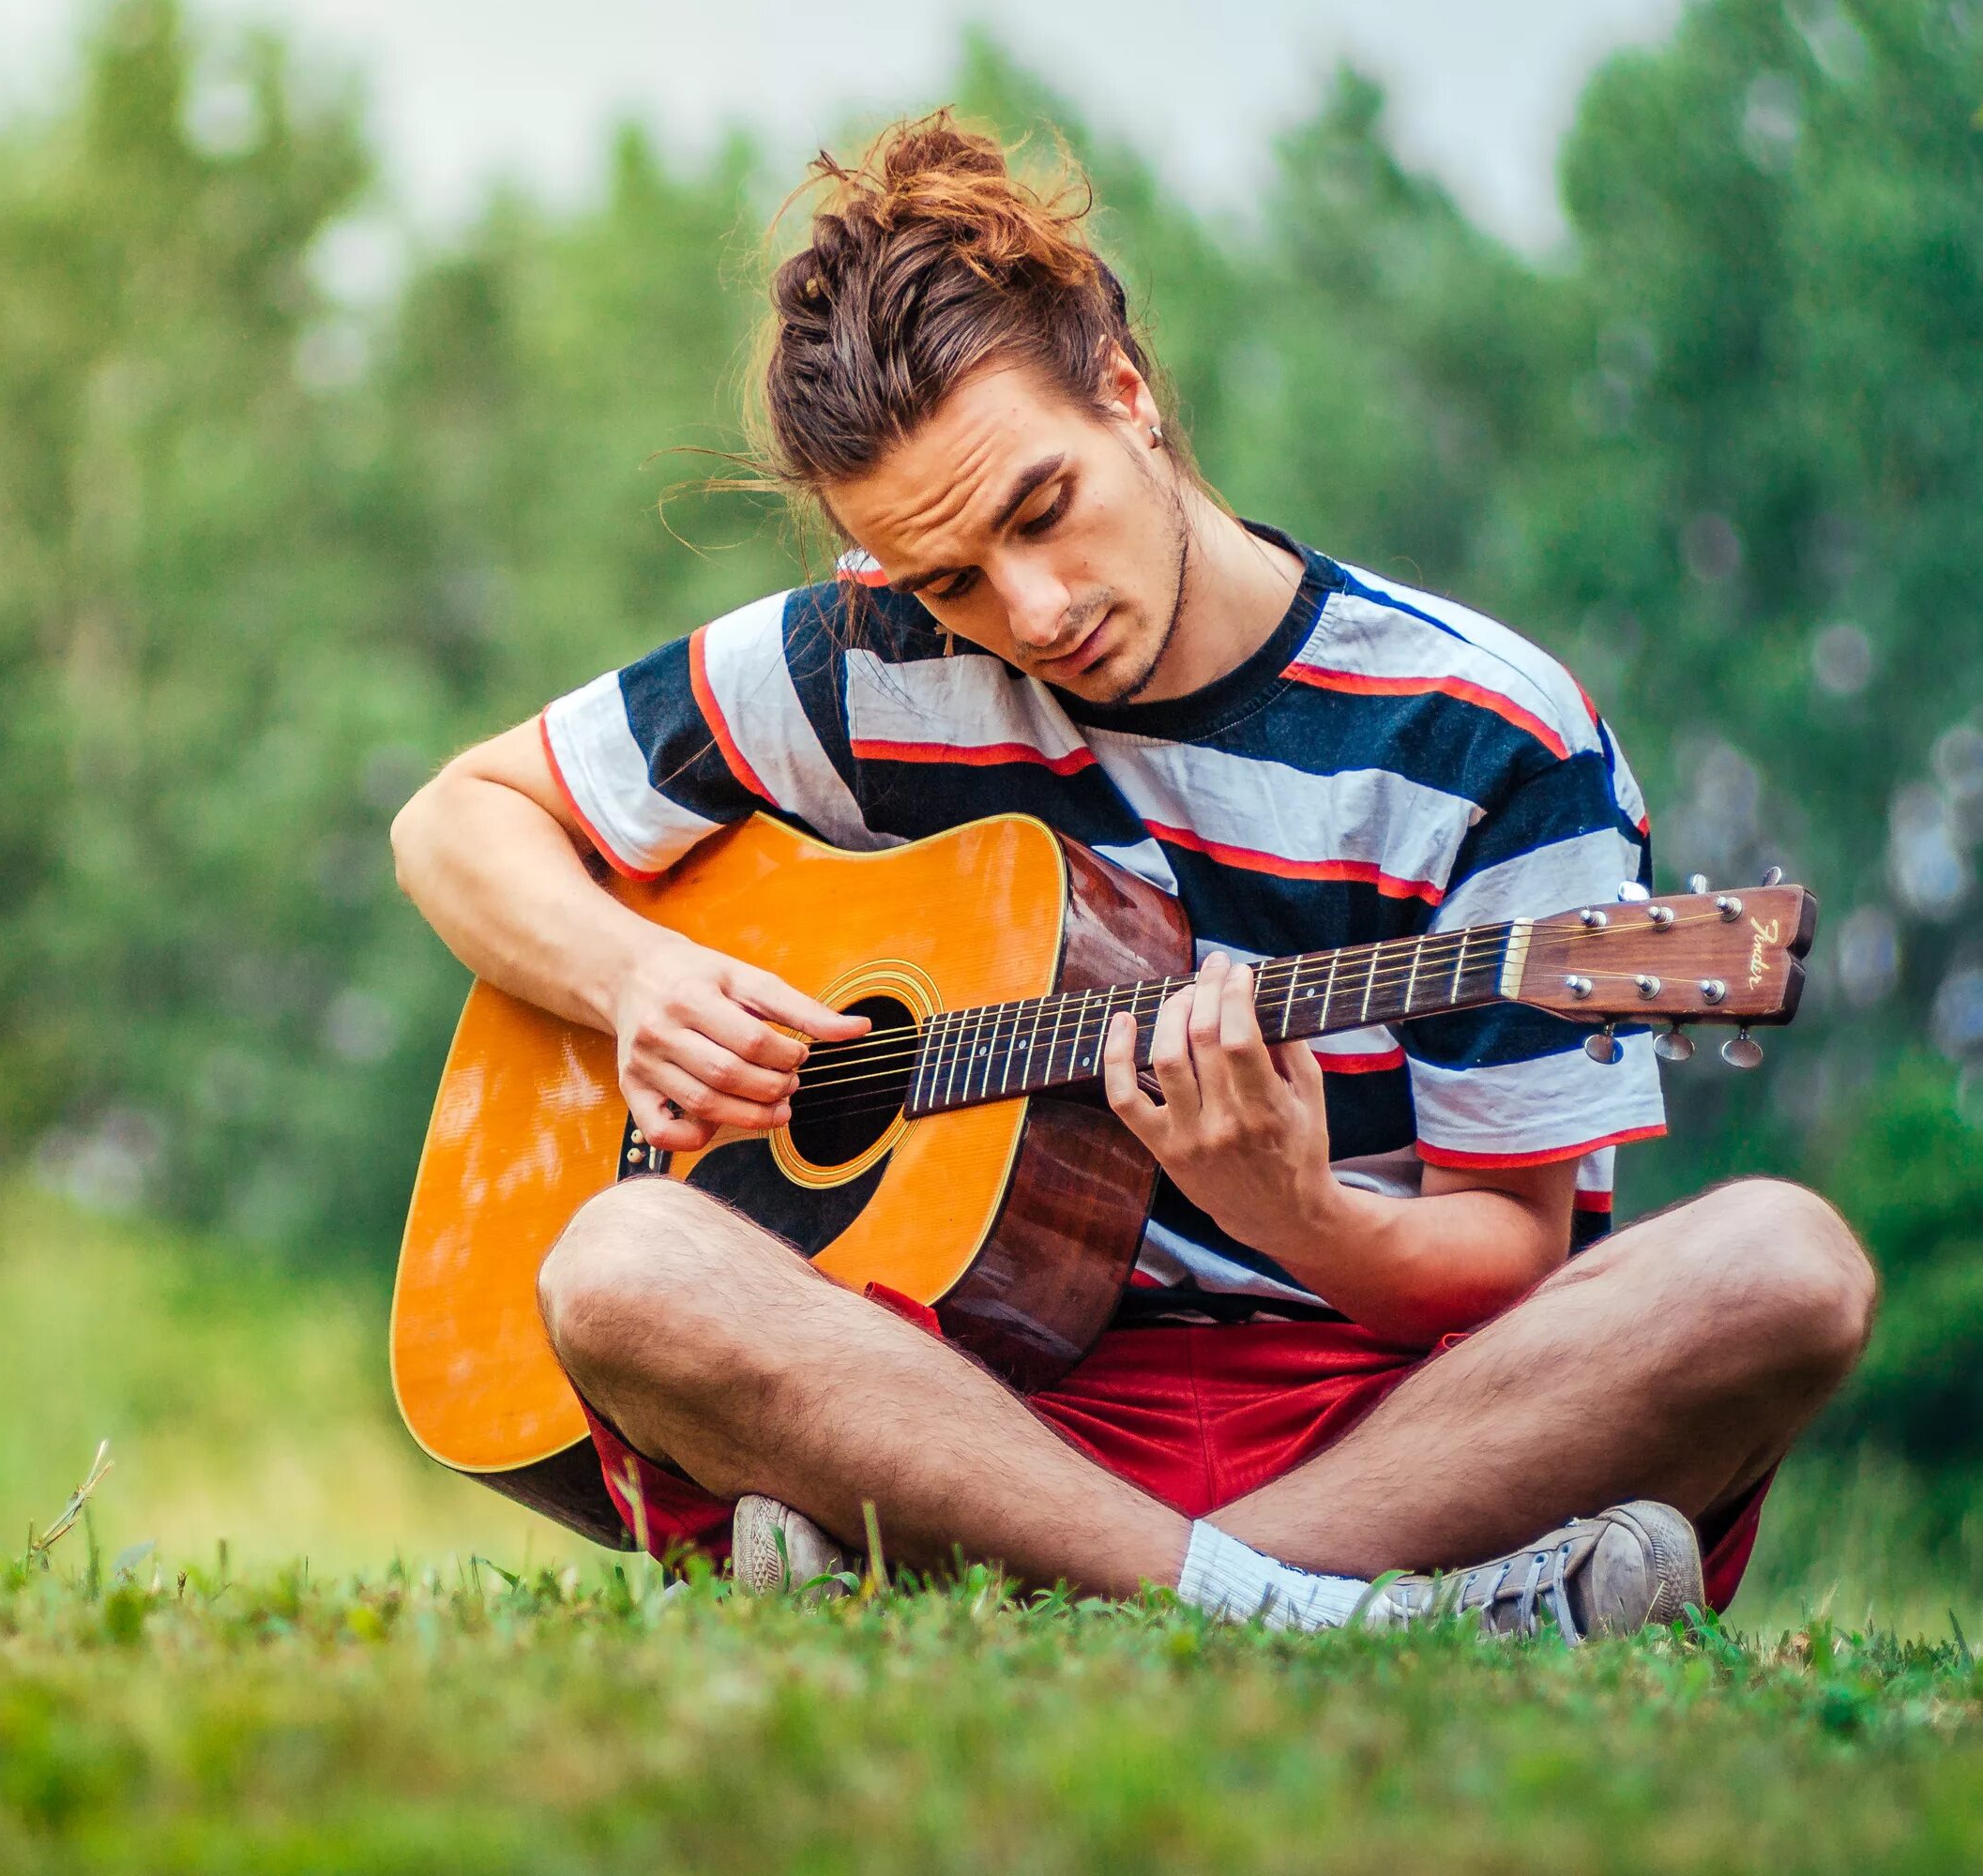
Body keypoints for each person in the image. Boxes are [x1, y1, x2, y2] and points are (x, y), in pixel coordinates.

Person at [388, 113, 1875, 1636]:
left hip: (1386, 1426)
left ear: (1128, 393)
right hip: (960, 1405)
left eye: (1042, 510)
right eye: (949, 576)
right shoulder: (859, 662)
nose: (1029, 609)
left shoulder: (1484, 732)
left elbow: (1511, 1255)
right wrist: (633, 974)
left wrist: (1304, 1216)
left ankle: (1041, 1594)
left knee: (1785, 1264)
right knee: (620, 1262)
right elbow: (456, 820)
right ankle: (1342, 1616)